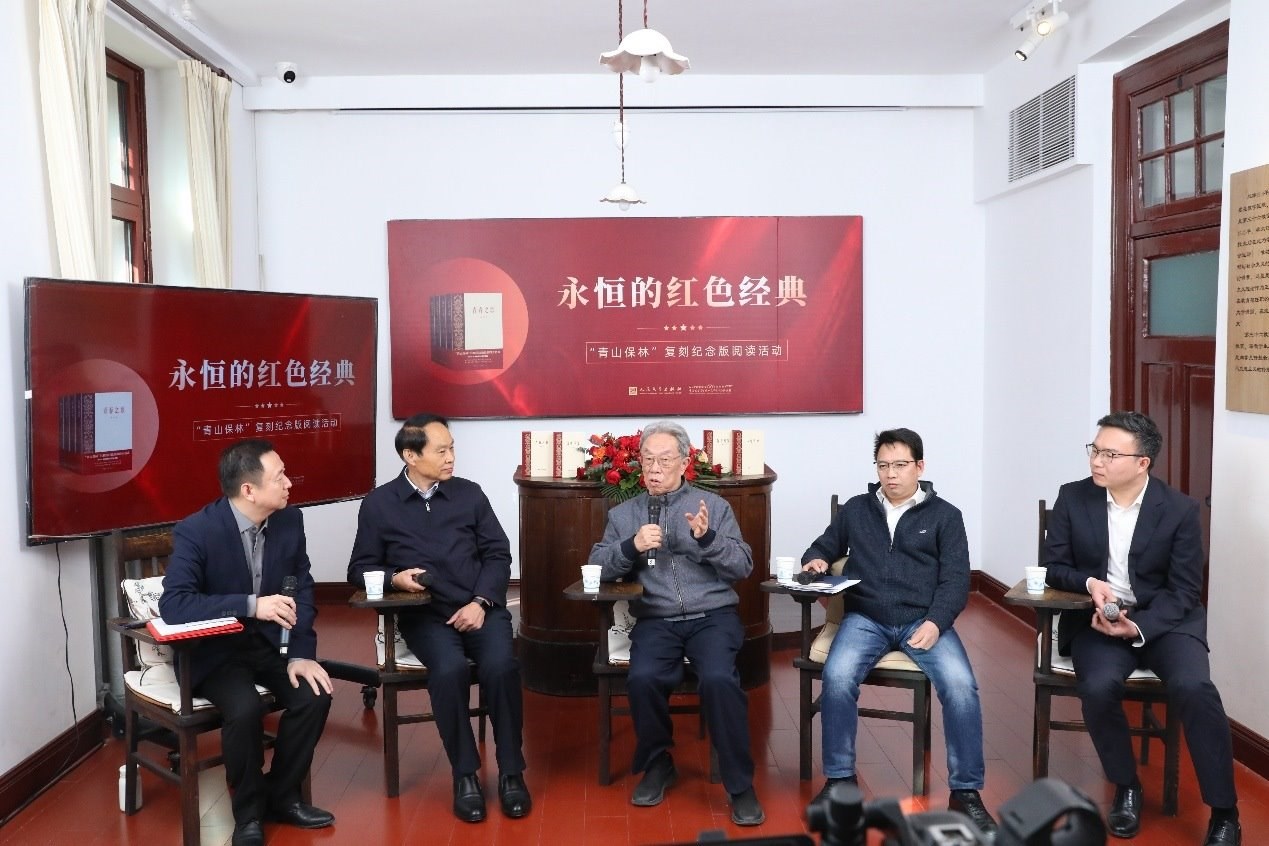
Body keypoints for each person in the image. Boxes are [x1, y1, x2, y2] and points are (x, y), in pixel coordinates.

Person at [1043, 411, 1239, 845]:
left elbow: (1184, 590)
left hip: (1166, 623)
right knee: (1097, 686)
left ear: (1142, 462)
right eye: (1095, 450)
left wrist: (1137, 627)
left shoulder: (1179, 509)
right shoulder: (1073, 497)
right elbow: (1053, 566)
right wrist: (1090, 583)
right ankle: (1126, 786)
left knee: (1194, 687)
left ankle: (1225, 811)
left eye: (1110, 454)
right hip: (1097, 621)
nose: (1097, 461)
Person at [799, 428, 997, 838]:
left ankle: (965, 792)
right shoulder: (857, 510)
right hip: (865, 618)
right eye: (883, 465)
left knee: (961, 685)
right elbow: (822, 545)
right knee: (837, 676)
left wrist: (936, 622)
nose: (890, 474)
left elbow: (956, 580)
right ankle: (840, 782)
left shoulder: (946, 516)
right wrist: (816, 560)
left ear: (919, 467)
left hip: (923, 621)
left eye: (900, 465)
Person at [347, 413, 529, 823]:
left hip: (480, 608)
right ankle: (465, 775)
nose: (451, 458)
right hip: (425, 615)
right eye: (441, 451)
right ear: (410, 456)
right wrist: (394, 578)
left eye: (452, 448)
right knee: (448, 671)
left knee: (501, 666)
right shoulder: (380, 504)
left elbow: (498, 554)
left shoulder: (469, 494)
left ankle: (512, 772)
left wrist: (481, 602)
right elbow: (358, 569)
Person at [587, 420, 765, 826]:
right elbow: (596, 566)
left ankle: (740, 786)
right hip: (656, 618)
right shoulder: (624, 514)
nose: (654, 468)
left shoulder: (712, 507)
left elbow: (743, 565)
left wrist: (707, 539)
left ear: (684, 463)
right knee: (643, 678)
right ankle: (658, 763)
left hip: (713, 617)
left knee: (718, 679)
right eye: (647, 459)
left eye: (664, 460)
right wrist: (630, 547)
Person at [159, 439, 334, 846]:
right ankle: (248, 814)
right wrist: (252, 605)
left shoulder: (289, 521)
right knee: (244, 708)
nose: (289, 484)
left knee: (315, 695)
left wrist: (301, 654)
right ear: (249, 490)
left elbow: (302, 589)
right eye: (280, 477)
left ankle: (282, 796)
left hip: (271, 645)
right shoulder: (197, 530)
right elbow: (175, 605)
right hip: (216, 651)